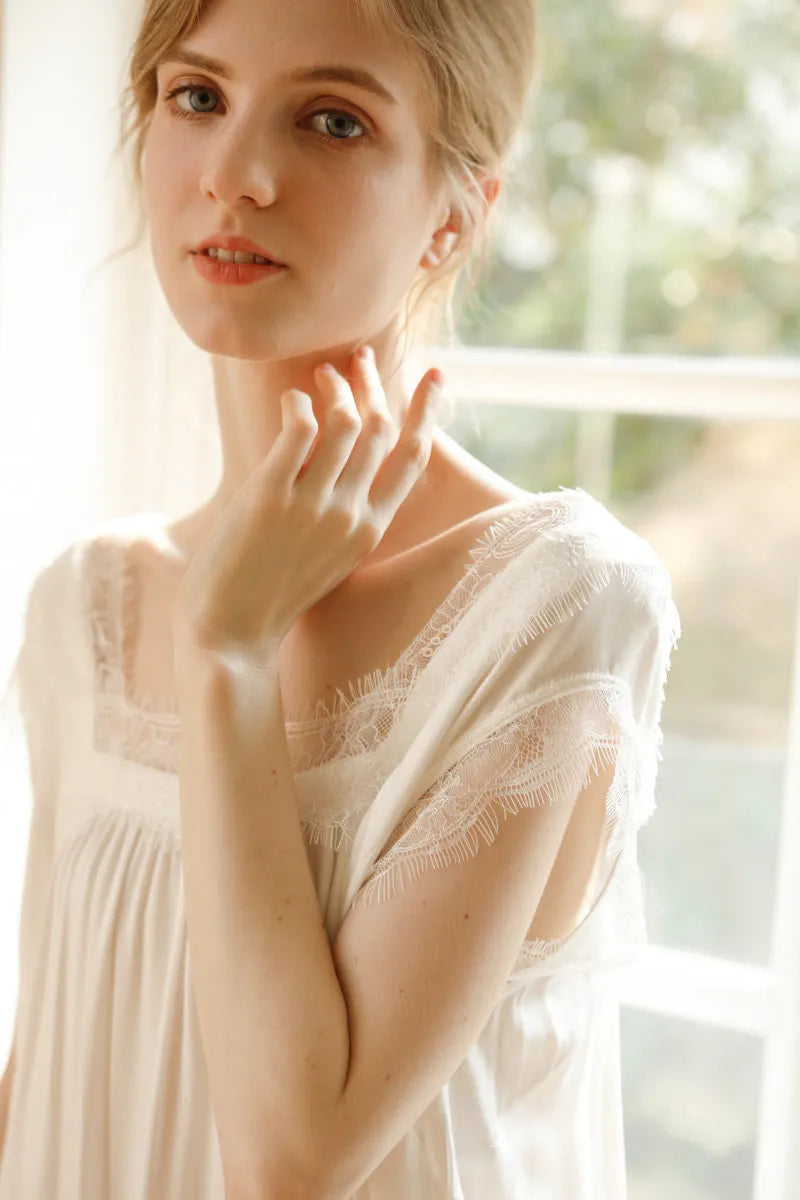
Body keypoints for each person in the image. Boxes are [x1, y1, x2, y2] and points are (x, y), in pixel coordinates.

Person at [0, 0, 682, 1196]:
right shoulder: (84, 611)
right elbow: (52, 1076)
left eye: (330, 120)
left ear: (454, 218)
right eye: (196, 96)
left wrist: (232, 648)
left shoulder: (553, 604)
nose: (237, 176)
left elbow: (292, 1156)